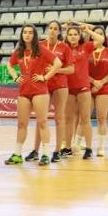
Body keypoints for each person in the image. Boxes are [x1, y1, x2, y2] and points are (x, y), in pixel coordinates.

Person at [5, 25, 61, 165]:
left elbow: (57, 63)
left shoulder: (41, 50)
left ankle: (46, 154)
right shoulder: (19, 51)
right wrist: (15, 77)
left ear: (34, 35)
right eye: (25, 32)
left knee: (42, 122)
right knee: (21, 124)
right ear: (22, 35)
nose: (27, 35)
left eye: (30, 32)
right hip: (24, 91)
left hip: (39, 91)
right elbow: (9, 65)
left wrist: (45, 77)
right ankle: (17, 154)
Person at [26, 21, 74, 162]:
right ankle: (35, 151)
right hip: (42, 85)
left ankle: (57, 151)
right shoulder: (39, 45)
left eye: (55, 29)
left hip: (60, 85)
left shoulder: (64, 47)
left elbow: (71, 69)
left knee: (59, 118)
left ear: (59, 31)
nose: (52, 31)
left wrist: (56, 70)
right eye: (50, 28)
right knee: (41, 119)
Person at [65, 22, 104, 159]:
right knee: (68, 119)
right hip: (68, 88)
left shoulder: (86, 47)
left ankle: (88, 149)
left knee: (85, 119)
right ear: (67, 36)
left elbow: (100, 40)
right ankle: (67, 148)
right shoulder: (64, 48)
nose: (73, 37)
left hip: (83, 88)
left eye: (75, 34)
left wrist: (88, 29)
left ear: (79, 35)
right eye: (70, 34)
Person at [88, 26, 108, 157]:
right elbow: (82, 70)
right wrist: (94, 82)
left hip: (104, 88)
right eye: (95, 33)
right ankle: (81, 143)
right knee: (84, 117)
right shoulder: (86, 51)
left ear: (104, 37)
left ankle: (100, 147)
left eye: (101, 33)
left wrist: (100, 83)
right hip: (88, 86)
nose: (98, 35)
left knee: (101, 118)